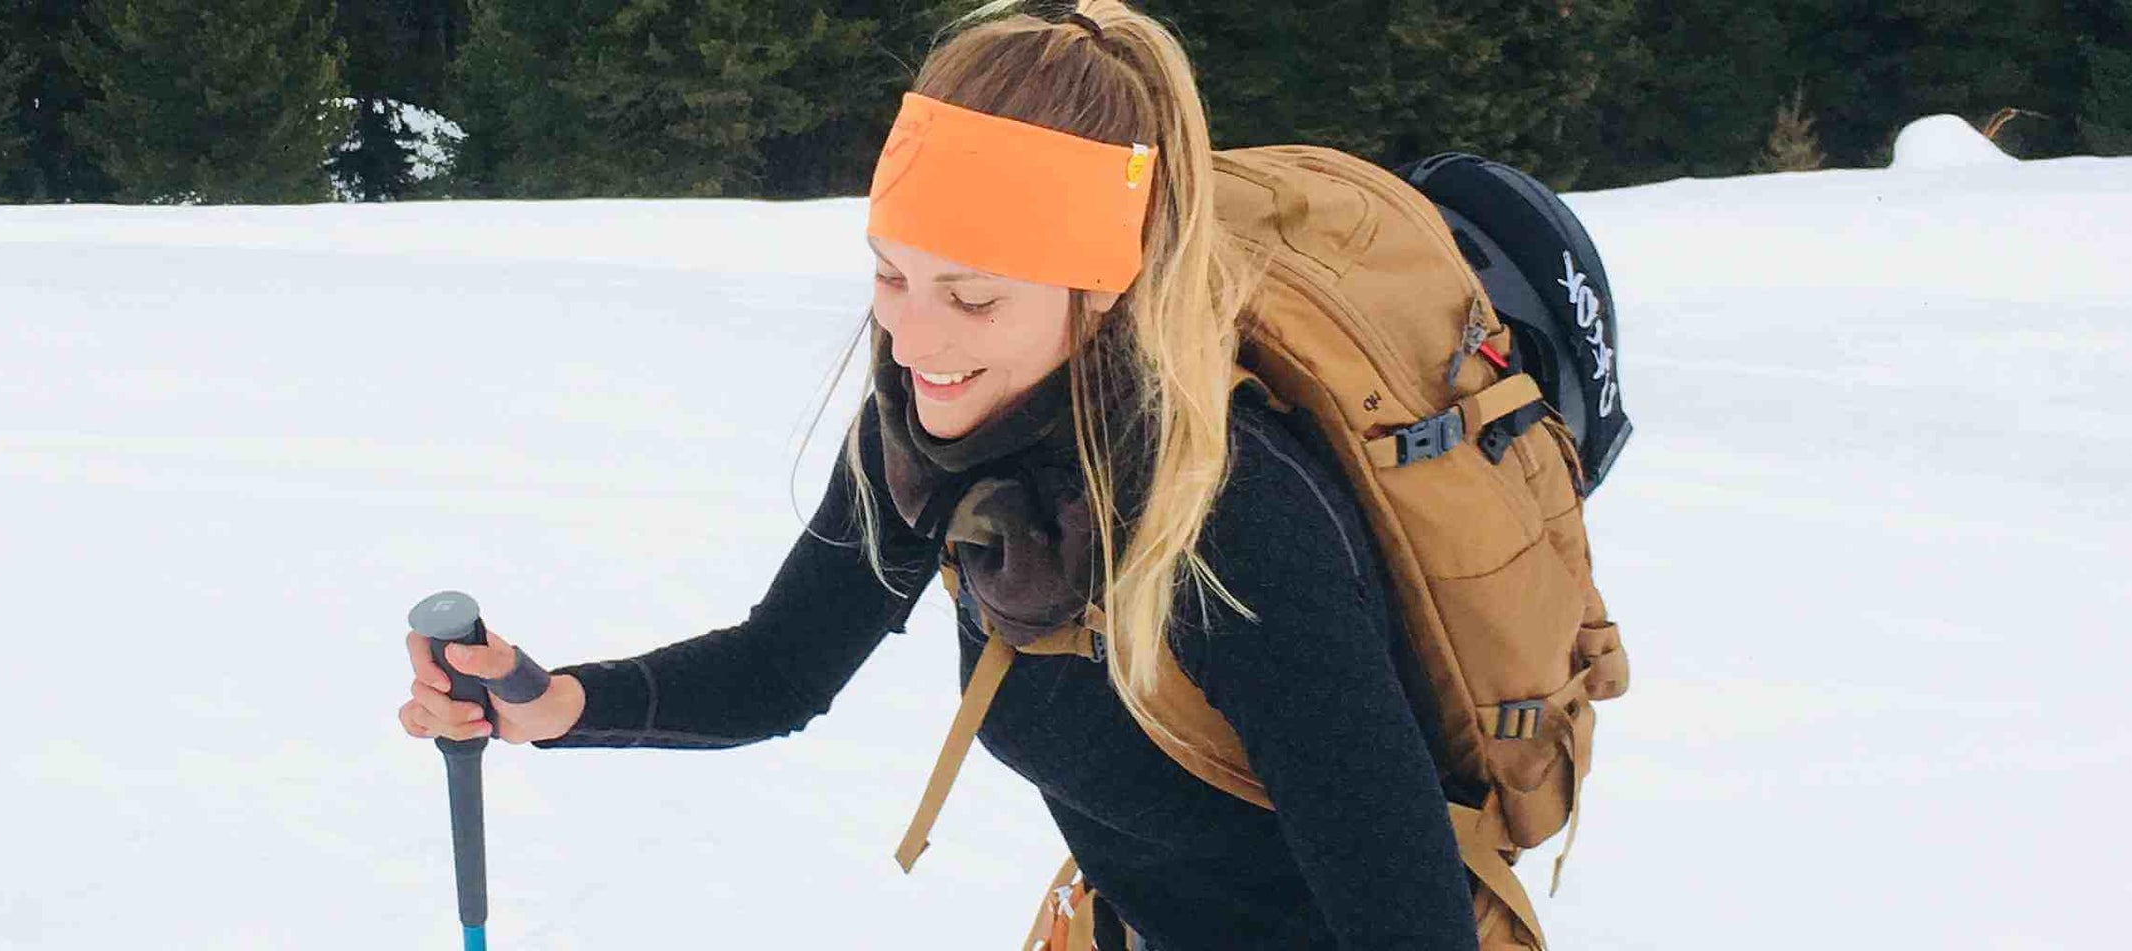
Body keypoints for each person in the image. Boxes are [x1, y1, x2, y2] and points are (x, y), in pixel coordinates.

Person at [395, 2, 1479, 946]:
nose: (913, 340)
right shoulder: (928, 434)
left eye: (972, 300)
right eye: (890, 273)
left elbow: (1406, 921)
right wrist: (555, 705)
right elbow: (779, 669)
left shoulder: (1231, 521)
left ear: (1101, 285)